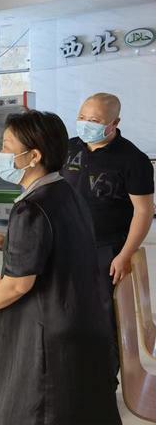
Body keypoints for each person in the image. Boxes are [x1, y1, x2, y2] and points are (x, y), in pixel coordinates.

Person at [0, 110, 121, 425]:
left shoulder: (31, 208)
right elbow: (60, 248)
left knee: (33, 410)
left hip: (43, 337)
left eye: (7, 145)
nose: (1, 152)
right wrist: (9, 242)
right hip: (76, 325)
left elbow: (17, 284)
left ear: (34, 156)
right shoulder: (66, 192)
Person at [61, 92, 154, 376]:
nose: (86, 124)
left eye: (95, 120)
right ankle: (74, 374)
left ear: (115, 123)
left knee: (105, 316)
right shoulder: (67, 149)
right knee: (68, 312)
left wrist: (125, 255)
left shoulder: (133, 159)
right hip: (66, 246)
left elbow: (143, 211)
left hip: (108, 250)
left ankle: (105, 380)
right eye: (82, 117)